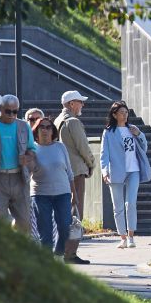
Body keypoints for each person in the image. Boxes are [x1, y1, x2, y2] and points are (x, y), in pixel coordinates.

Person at [0, 94, 39, 236]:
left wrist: (27, 157)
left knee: (24, 222)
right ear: (0, 109)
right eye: (7, 111)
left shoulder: (23, 127)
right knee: (1, 221)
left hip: (20, 178)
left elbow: (32, 150)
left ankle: (19, 249)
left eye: (15, 111)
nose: (11, 115)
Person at [100, 100, 151, 248]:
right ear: (115, 115)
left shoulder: (132, 129)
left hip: (133, 169)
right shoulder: (109, 132)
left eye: (126, 112)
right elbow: (104, 154)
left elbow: (144, 147)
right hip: (116, 171)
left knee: (131, 204)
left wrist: (140, 134)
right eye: (121, 112)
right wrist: (105, 171)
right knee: (118, 206)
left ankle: (131, 237)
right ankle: (122, 237)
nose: (125, 114)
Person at [55, 90, 95, 265]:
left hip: (60, 172)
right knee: (76, 212)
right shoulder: (73, 122)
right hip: (76, 172)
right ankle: (70, 253)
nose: (82, 105)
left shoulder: (57, 121)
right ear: (71, 104)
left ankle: (61, 250)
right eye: (80, 102)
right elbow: (83, 148)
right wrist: (91, 164)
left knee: (64, 212)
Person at [28, 115, 76, 257]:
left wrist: (74, 194)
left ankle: (59, 255)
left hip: (63, 193)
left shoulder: (60, 147)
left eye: (48, 127)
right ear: (36, 131)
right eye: (42, 127)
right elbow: (28, 173)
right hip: (40, 194)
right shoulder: (32, 150)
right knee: (46, 231)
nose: (45, 130)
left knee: (64, 227)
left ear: (53, 131)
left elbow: (69, 172)